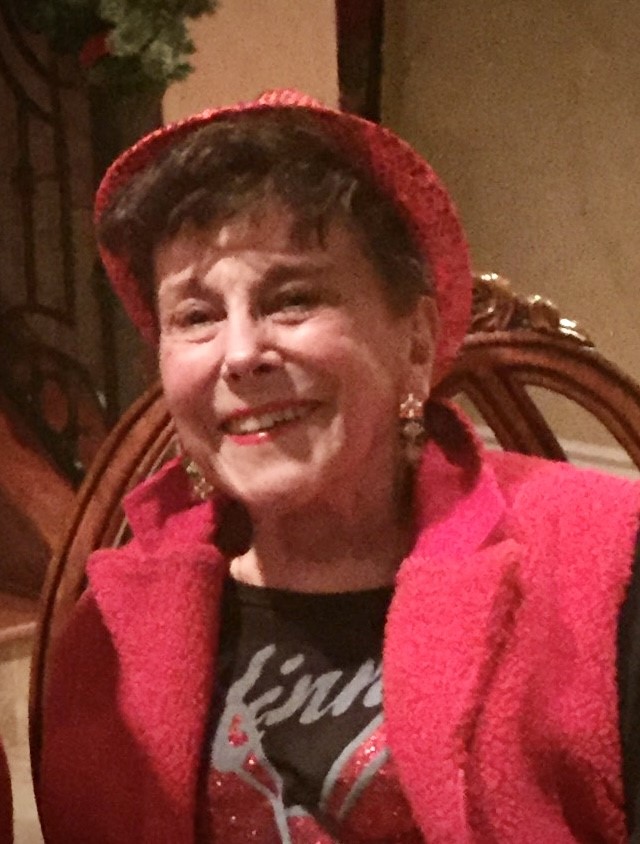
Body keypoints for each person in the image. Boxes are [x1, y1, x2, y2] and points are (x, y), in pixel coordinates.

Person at [36, 88, 640, 843]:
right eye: (196, 316)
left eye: (292, 299)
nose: (242, 353)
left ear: (415, 341)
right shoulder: (110, 641)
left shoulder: (603, 568)